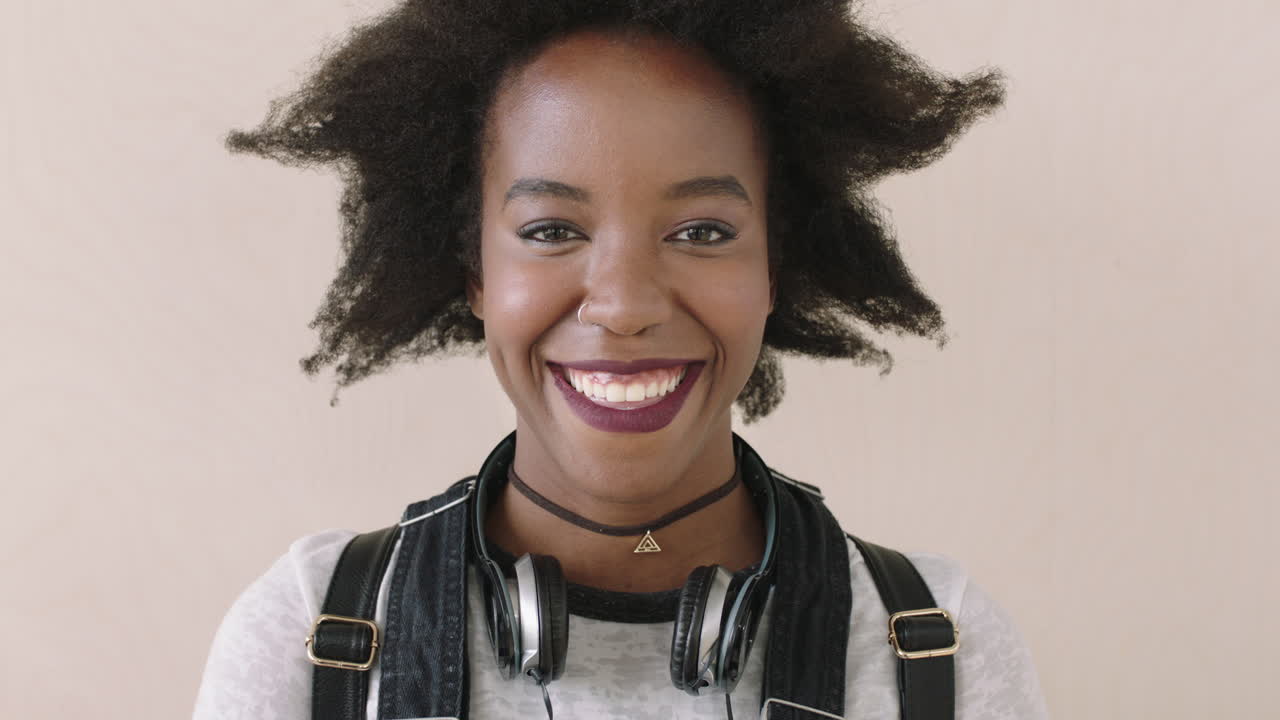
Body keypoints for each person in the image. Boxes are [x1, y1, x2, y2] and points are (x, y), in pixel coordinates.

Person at [194, 1, 1047, 718]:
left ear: (773, 272)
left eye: (702, 232)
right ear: (475, 274)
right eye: (552, 232)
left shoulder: (940, 650)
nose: (626, 304)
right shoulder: (314, 637)